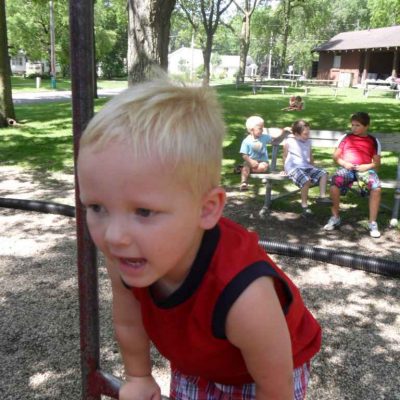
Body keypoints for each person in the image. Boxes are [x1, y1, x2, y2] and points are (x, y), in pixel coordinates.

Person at [77, 78, 322, 400]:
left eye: (144, 212)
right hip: (201, 358)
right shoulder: (128, 252)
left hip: (261, 374)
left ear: (207, 210)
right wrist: (138, 376)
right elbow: (129, 322)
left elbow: (275, 390)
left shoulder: (244, 294)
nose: (113, 236)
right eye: (97, 207)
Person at [323, 112, 382, 238]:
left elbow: (377, 163)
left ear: (366, 126)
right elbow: (335, 157)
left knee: (376, 188)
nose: (354, 128)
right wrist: (344, 163)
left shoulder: (373, 140)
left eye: (358, 125)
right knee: (334, 183)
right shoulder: (346, 138)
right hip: (347, 168)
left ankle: (372, 222)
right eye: (352, 125)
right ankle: (335, 217)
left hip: (364, 169)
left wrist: (366, 166)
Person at [282, 120, 331, 216]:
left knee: (324, 173)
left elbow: (310, 155)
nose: (308, 135)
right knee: (306, 180)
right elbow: (284, 156)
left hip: (306, 166)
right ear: (296, 134)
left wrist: (313, 166)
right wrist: (285, 169)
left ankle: (322, 197)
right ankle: (304, 205)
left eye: (308, 133)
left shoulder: (308, 141)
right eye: (305, 134)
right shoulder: (289, 141)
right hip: (293, 168)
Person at [239, 115, 287, 191]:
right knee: (246, 165)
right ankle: (244, 182)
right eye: (260, 128)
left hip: (262, 162)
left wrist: (283, 133)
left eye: (263, 128)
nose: (262, 130)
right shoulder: (246, 141)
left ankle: (245, 170)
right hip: (250, 162)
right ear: (252, 130)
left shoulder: (264, 137)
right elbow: (244, 155)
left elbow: (275, 141)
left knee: (263, 167)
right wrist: (250, 161)